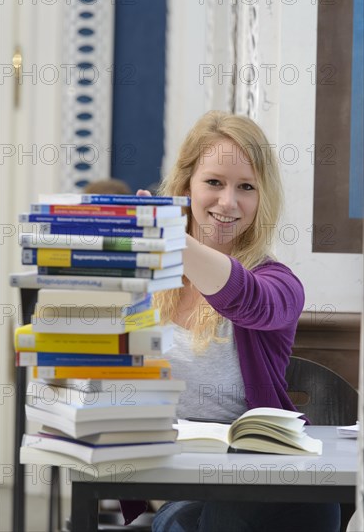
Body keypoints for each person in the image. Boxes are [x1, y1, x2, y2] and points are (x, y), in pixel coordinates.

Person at [134, 110, 340, 532]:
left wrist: (173, 237)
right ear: (185, 185)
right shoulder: (144, 284)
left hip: (276, 484)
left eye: (246, 187)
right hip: (188, 490)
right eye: (213, 182)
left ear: (262, 199)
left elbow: (246, 300)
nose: (228, 202)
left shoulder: (278, 283)